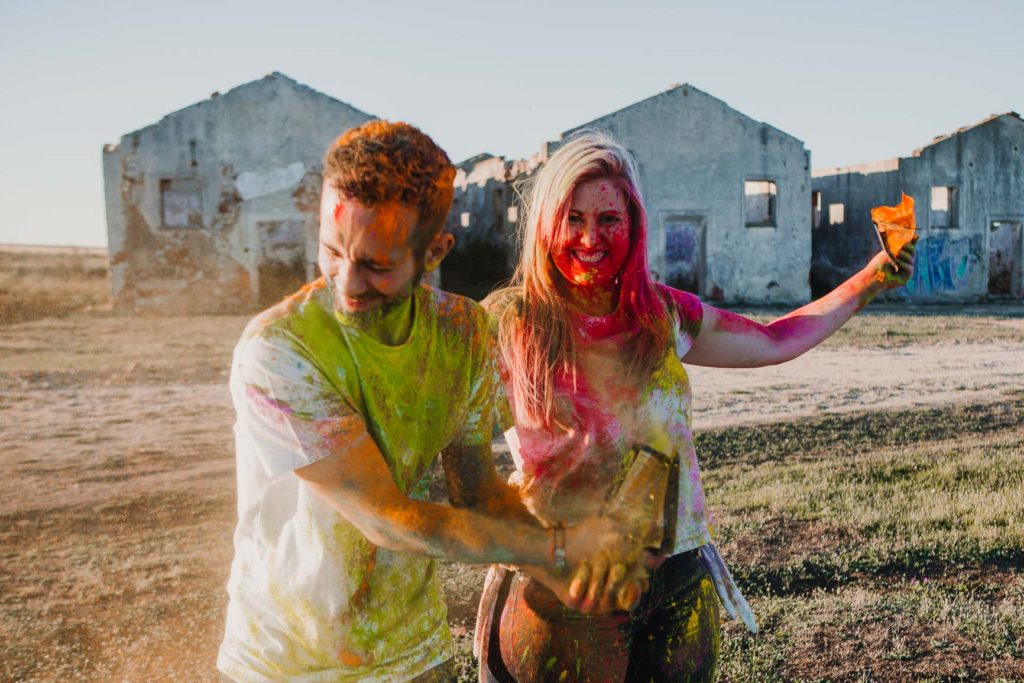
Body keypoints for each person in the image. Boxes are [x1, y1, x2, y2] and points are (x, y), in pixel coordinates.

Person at [477, 129, 916, 682]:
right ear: (546, 223)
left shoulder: (661, 314)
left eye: (608, 219)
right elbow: (442, 427)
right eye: (574, 218)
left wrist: (874, 276)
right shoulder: (508, 321)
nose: (591, 237)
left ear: (633, 225)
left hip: (677, 575)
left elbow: (777, 339)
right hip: (564, 583)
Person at [216, 121, 646, 683]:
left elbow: (480, 493)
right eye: (331, 250)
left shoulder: (463, 333)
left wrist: (566, 579)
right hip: (288, 662)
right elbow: (388, 519)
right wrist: (557, 546)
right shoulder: (280, 349)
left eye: (377, 263)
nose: (347, 283)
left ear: (436, 249)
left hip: (416, 653)